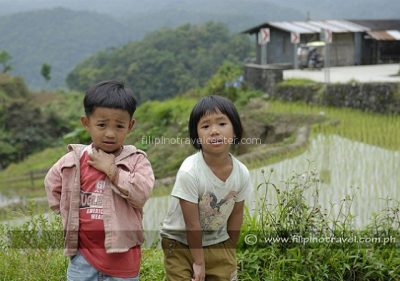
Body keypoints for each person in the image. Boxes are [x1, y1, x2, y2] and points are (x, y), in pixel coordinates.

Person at [44, 80, 154, 281]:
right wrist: (67, 212)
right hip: (82, 260)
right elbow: (52, 184)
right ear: (86, 123)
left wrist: (112, 171)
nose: (110, 133)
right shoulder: (74, 160)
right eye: (102, 125)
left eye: (119, 126)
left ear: (130, 126)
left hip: (124, 261)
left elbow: (141, 194)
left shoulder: (137, 160)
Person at [160, 95, 250, 281]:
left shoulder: (241, 173)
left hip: (217, 240)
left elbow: (237, 214)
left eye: (222, 124)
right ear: (197, 136)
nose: (214, 131)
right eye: (206, 126)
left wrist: (229, 248)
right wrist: (199, 263)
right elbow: (192, 224)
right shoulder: (190, 171)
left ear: (235, 130)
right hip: (179, 242)